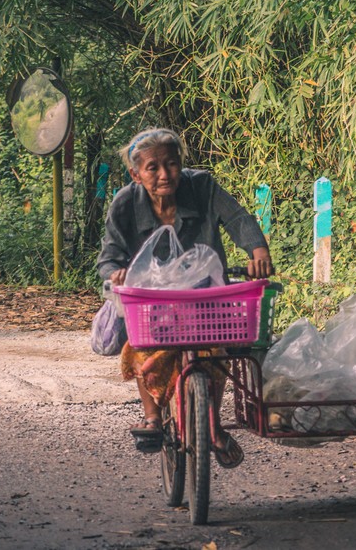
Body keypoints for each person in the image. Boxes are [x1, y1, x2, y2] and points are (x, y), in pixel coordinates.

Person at [97, 128, 272, 466]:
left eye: (172, 164)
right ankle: (152, 415)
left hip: (206, 297)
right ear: (136, 174)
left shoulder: (201, 186)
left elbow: (237, 218)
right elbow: (108, 257)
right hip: (152, 303)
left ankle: (212, 424)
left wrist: (257, 250)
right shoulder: (124, 203)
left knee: (216, 352)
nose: (165, 175)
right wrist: (115, 272)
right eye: (152, 168)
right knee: (140, 345)